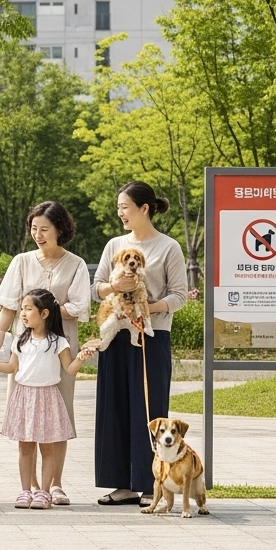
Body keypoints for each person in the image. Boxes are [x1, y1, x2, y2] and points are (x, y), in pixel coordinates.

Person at [0, 201, 90, 506]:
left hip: (60, 347)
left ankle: (55, 485)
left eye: (44, 229)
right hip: (26, 350)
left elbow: (79, 307)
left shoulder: (76, 264)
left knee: (60, 416)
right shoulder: (21, 261)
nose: (38, 235)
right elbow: (8, 306)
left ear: (60, 230)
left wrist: (48, 314)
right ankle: (30, 486)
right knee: (25, 420)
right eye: (34, 229)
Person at [92, 181, 189, 507]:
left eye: (125, 207)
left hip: (151, 336)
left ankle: (151, 483)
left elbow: (179, 296)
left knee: (149, 411)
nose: (120, 213)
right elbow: (97, 288)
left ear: (144, 209)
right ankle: (121, 484)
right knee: (114, 408)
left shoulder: (168, 247)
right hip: (116, 337)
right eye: (119, 207)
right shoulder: (114, 245)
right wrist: (113, 287)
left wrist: (147, 308)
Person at [0, 289, 95, 510]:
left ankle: (44, 492)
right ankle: (25, 491)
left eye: (28, 309)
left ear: (44, 314)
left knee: (47, 448)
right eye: (22, 308)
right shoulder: (20, 341)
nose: (22, 313)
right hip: (24, 396)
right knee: (25, 447)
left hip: (47, 398)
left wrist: (80, 357)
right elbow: (12, 367)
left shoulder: (58, 342)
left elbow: (69, 370)